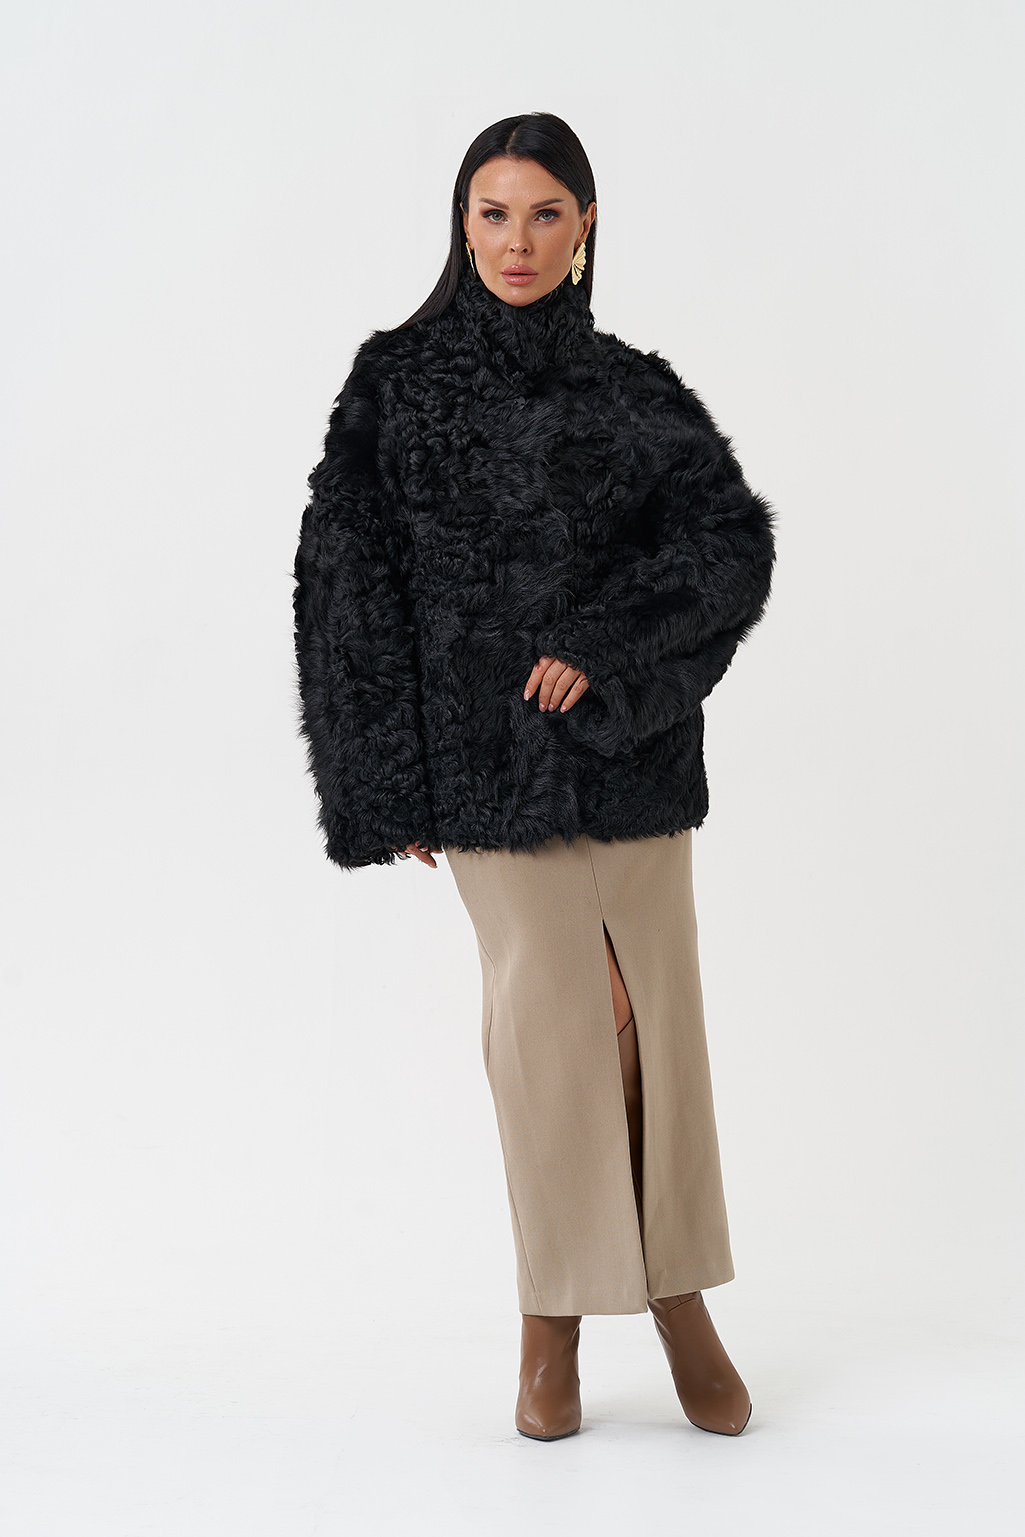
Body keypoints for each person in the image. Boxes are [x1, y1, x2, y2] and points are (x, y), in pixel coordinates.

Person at [292, 112, 776, 1442]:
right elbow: (344, 585)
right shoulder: (396, 381)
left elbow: (729, 547)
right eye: (493, 213)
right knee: (552, 1034)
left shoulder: (633, 388)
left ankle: (676, 1297)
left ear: (586, 225)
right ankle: (553, 1321)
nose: (517, 240)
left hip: (628, 766)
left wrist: (602, 649)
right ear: (462, 225)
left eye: (544, 213)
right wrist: (383, 779)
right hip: (486, 770)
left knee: (652, 1028)